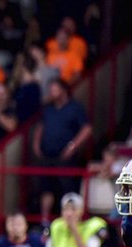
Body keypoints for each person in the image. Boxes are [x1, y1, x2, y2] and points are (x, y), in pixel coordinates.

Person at [32, 80, 92, 222]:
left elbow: (87, 129)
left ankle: (70, 219)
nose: (52, 93)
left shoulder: (75, 108)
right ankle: (44, 220)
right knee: (46, 188)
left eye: (54, 89)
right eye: (50, 90)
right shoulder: (48, 109)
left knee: (67, 188)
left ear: (63, 90)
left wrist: (72, 146)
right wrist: (36, 144)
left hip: (65, 156)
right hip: (47, 155)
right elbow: (40, 127)